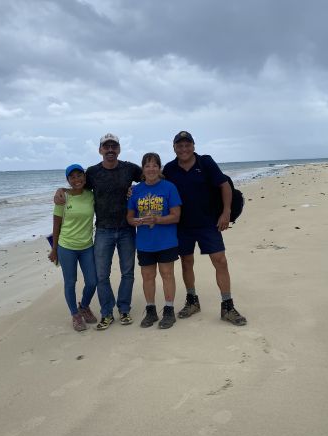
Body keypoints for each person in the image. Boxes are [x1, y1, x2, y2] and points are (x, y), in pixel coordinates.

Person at [55, 134, 142, 330]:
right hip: (103, 231)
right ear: (100, 150)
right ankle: (107, 313)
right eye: (106, 146)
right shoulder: (92, 172)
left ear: (119, 149)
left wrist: (135, 190)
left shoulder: (130, 168)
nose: (110, 149)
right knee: (102, 276)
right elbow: (75, 186)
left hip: (127, 229)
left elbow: (151, 178)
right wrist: (59, 189)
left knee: (127, 273)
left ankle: (124, 309)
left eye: (114, 146)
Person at [162, 131, 247, 326]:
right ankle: (192, 301)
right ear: (174, 148)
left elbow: (224, 186)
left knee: (220, 261)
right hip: (182, 225)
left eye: (187, 145)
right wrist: (135, 189)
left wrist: (226, 213)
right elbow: (156, 184)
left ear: (193, 146)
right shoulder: (170, 168)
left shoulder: (205, 162)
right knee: (186, 262)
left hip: (209, 222)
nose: (184, 149)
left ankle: (227, 306)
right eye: (179, 145)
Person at [127, 153, 182, 329]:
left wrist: (157, 220)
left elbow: (176, 216)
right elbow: (129, 216)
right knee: (147, 276)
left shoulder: (169, 187)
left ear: (160, 168)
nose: (151, 169)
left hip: (166, 240)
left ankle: (169, 310)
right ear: (143, 169)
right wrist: (134, 221)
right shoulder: (135, 190)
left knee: (167, 274)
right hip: (144, 242)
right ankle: (150, 310)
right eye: (147, 165)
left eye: (154, 165)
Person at [48, 164, 98, 331]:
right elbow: (56, 225)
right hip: (66, 246)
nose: (77, 179)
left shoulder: (91, 195)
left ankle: (84, 306)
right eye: (73, 177)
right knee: (70, 282)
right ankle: (75, 314)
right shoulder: (63, 198)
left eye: (80, 175)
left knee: (92, 281)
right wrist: (54, 249)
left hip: (87, 246)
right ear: (68, 180)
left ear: (85, 177)